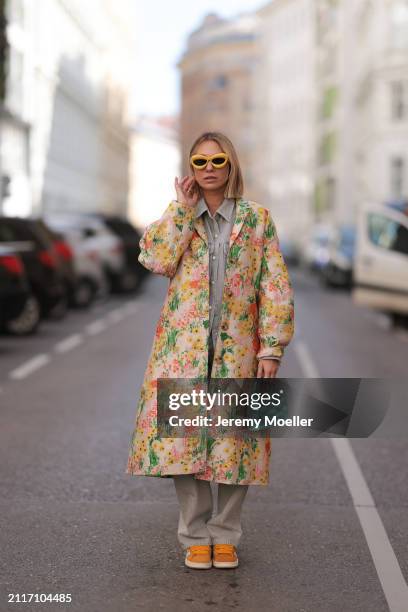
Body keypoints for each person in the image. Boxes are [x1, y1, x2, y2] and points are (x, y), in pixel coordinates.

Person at [126, 131, 295, 569]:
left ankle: (226, 535)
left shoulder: (257, 220)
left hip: (240, 348)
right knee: (186, 444)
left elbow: (273, 286)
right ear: (190, 169)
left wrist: (271, 348)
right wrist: (182, 211)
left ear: (231, 164)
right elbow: (156, 260)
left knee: (235, 445)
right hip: (182, 349)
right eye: (199, 162)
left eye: (217, 160)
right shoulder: (181, 215)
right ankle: (195, 535)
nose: (209, 169)